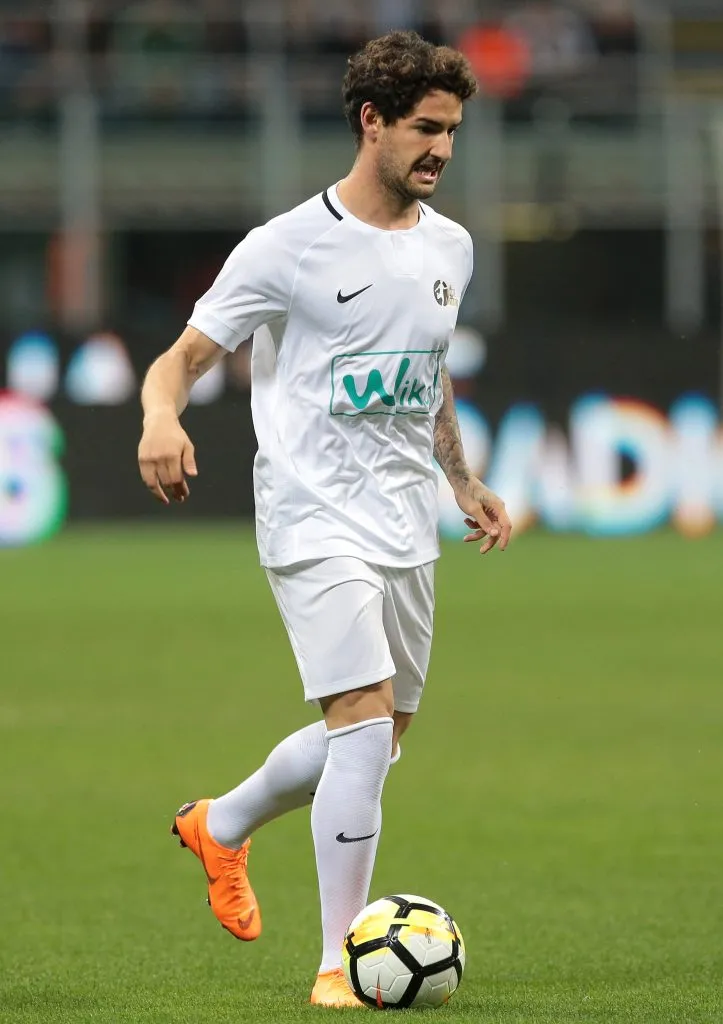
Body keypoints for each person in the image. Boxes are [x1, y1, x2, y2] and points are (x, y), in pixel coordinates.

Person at [137, 29, 512, 1008]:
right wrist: (160, 416)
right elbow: (182, 356)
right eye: (425, 129)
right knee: (359, 723)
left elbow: (428, 379)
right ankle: (341, 960)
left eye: (453, 132)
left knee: (378, 741)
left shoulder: (449, 247)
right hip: (310, 516)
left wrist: (462, 482)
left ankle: (219, 823)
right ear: (371, 121)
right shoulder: (287, 246)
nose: (441, 149)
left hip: (403, 521)